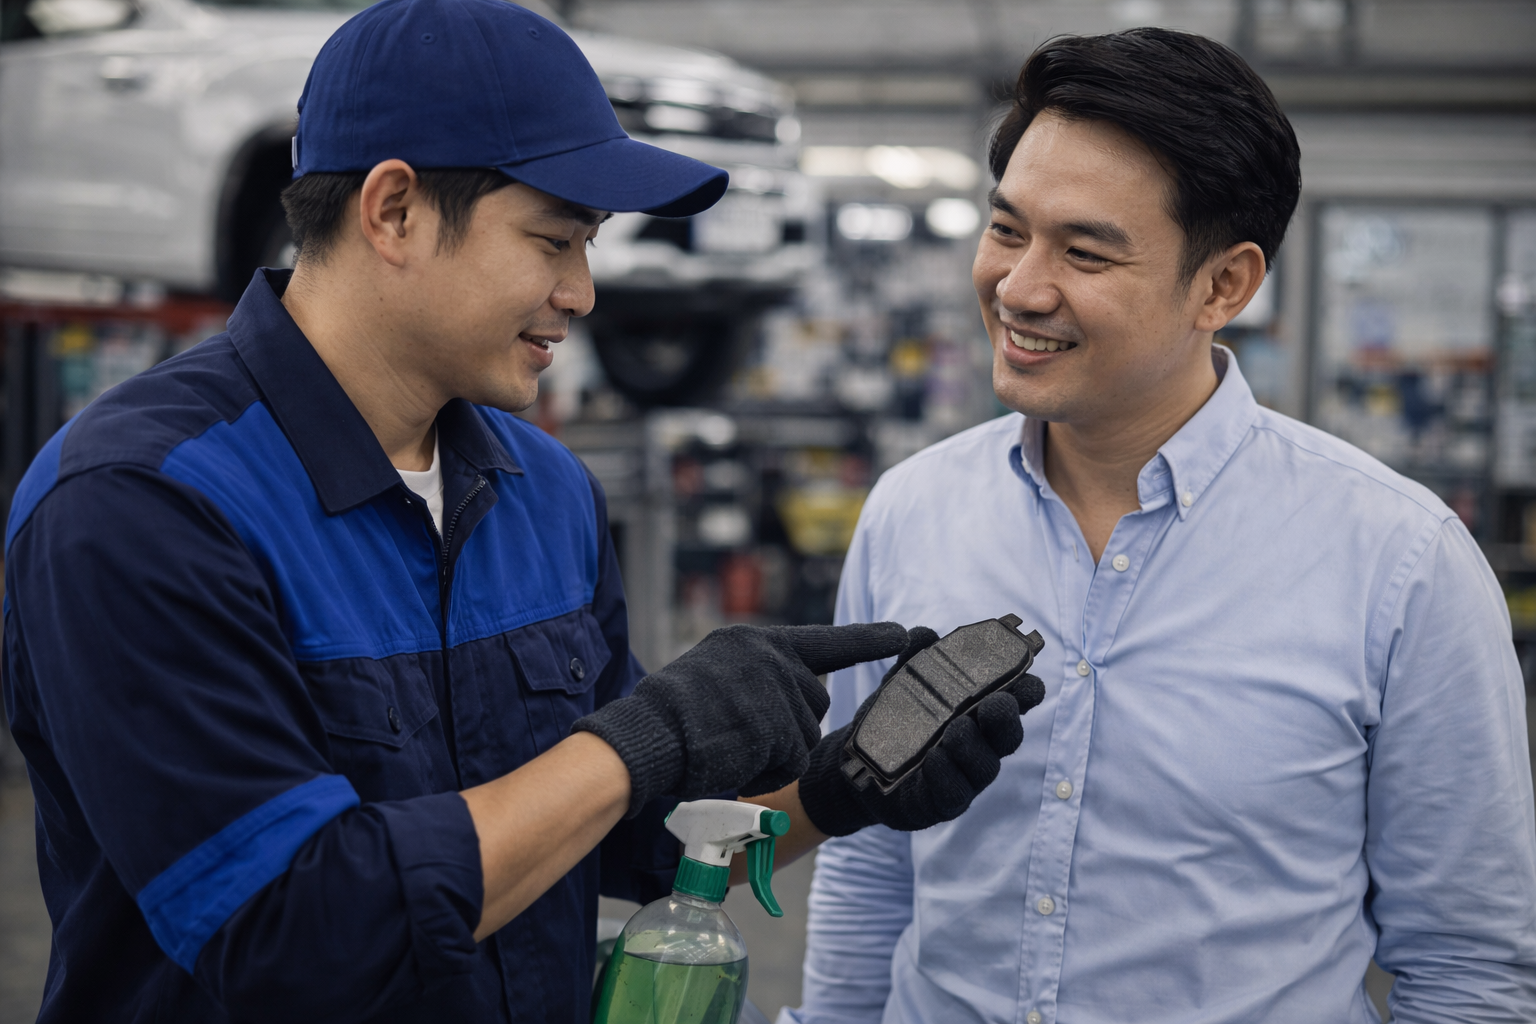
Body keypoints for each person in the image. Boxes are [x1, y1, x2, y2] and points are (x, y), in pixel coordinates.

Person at [0, 2, 1036, 1021]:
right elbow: (296, 933)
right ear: (393, 211)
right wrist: (645, 735)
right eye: (553, 240)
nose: (583, 292)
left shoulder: (545, 493)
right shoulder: (146, 505)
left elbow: (617, 835)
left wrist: (839, 787)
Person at [789, 27, 1536, 1024]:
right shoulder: (915, 512)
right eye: (1007, 228)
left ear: (1224, 286)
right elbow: (871, 863)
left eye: (1084, 251)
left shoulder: (1400, 563)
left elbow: (1468, 965)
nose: (1018, 287)